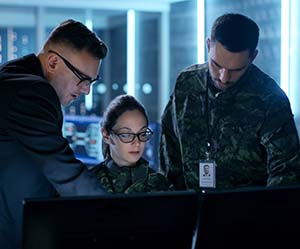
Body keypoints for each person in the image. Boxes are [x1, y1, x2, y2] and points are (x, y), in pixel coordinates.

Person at [160, 13, 300, 191]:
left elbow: (286, 172)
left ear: (253, 57)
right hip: (190, 209)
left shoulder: (270, 99)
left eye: (236, 70)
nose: (223, 77)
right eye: (216, 65)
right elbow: (170, 149)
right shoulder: (186, 84)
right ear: (208, 45)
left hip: (249, 212)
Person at [0, 19, 109, 249]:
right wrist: (122, 217)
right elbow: (66, 172)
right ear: (52, 62)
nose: (87, 90)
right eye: (82, 79)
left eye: (92, 81)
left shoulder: (12, 77)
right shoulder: (29, 92)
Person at [91, 94, 174, 193]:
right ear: (106, 135)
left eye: (142, 133)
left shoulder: (160, 185)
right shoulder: (88, 182)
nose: (137, 143)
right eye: (126, 135)